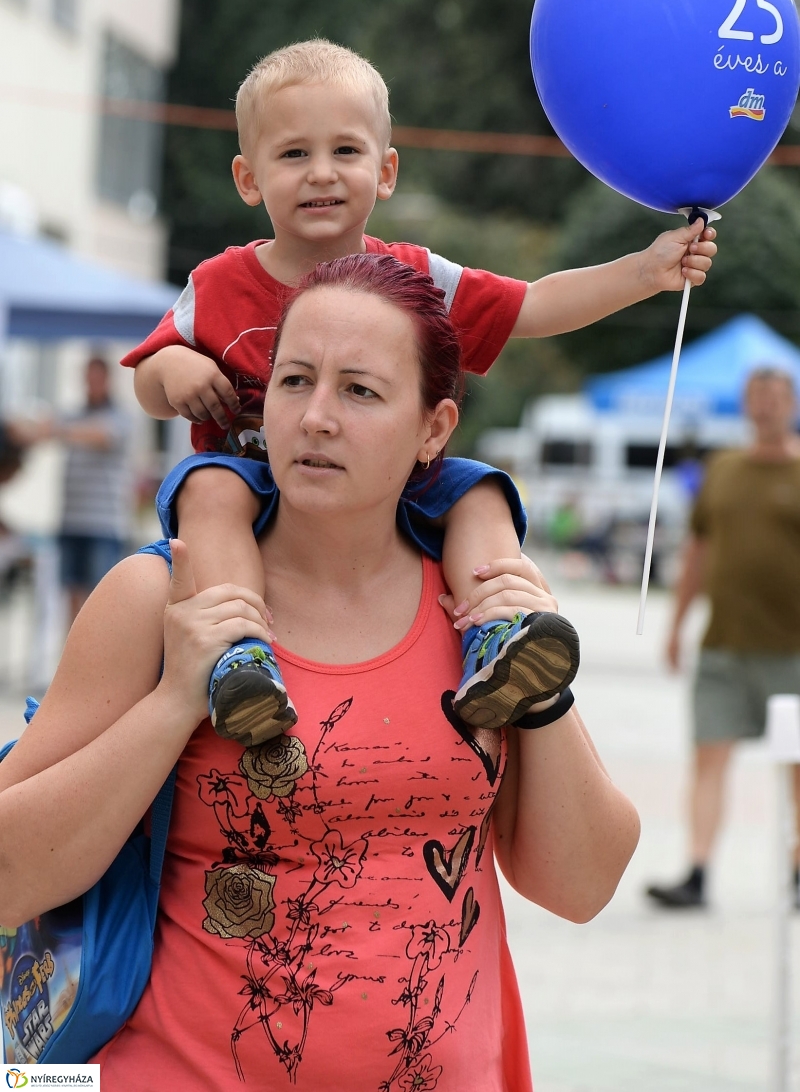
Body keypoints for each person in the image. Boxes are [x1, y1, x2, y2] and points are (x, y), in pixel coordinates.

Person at [0, 255, 640, 1090]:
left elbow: (582, 885)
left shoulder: (481, 615)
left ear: (433, 430)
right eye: (295, 380)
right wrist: (171, 704)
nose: (316, 418)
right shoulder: (162, 598)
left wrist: (545, 698)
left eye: (361, 391)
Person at [123, 39, 716, 749]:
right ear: (248, 179)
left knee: (479, 491)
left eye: (346, 151)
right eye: (293, 156)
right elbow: (148, 380)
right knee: (210, 490)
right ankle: (238, 657)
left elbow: (529, 307)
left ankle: (497, 637)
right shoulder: (218, 284)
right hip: (253, 489)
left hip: (390, 496)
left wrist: (644, 272)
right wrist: (176, 372)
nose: (322, 174)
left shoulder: (415, 277)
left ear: (387, 170)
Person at [647, 367, 800, 909]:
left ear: (791, 403)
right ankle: (698, 871)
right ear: (744, 404)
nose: (765, 407)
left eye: (776, 397)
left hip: (792, 650)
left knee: (797, 766)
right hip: (723, 645)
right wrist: (676, 625)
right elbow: (699, 552)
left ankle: (799, 871)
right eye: (756, 397)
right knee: (708, 758)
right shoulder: (724, 468)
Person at [12, 356, 132, 626]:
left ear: (107, 380)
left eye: (96, 377)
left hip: (104, 524)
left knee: (98, 600)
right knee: (71, 599)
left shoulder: (120, 417)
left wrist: (56, 430)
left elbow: (100, 435)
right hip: (71, 521)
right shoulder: (71, 416)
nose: (92, 383)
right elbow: (39, 430)